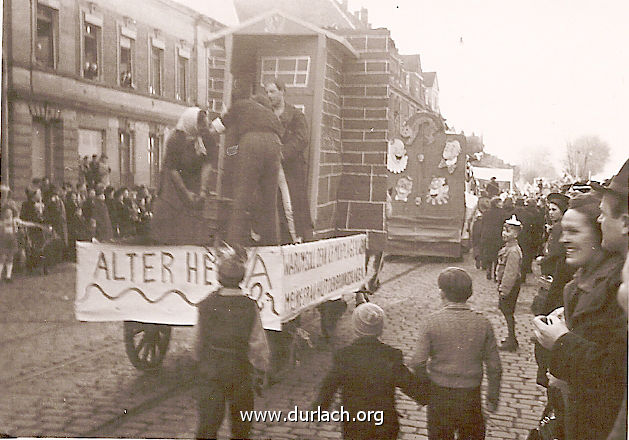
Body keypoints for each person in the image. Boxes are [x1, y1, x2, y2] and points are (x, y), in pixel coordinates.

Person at [533, 192, 627, 440]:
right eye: (563, 231)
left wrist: (561, 340)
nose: (563, 240)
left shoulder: (619, 292)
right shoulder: (575, 285)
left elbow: (614, 373)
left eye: (574, 231)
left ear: (600, 235)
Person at [313, 302, 426, 440]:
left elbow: (329, 385)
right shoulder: (391, 355)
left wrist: (319, 410)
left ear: (355, 328)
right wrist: (425, 393)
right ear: (380, 329)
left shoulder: (344, 355)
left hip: (355, 421)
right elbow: (410, 384)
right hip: (384, 421)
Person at [411, 267, 501, 440]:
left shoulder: (431, 322)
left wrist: (424, 388)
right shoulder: (483, 323)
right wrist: (492, 397)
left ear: (442, 293)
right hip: (470, 395)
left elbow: (417, 362)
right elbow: (495, 366)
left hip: (440, 394)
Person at [196, 246, 270, 440]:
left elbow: (198, 341)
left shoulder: (206, 304)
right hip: (240, 369)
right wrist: (261, 370)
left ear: (219, 278)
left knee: (208, 424)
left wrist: (201, 363)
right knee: (241, 425)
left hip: (213, 369)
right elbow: (257, 344)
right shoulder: (249, 306)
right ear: (241, 278)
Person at [211, 92, 283, 246]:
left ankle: (233, 247)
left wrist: (225, 150)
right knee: (270, 201)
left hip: (251, 143)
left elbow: (217, 127)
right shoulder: (271, 115)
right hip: (275, 144)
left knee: (241, 199)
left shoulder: (242, 105)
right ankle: (273, 247)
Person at [150, 106, 217, 245]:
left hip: (194, 179)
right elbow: (172, 170)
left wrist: (202, 190)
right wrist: (185, 193)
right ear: (192, 123)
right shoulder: (175, 139)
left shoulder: (206, 137)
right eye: (201, 124)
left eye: (206, 123)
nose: (204, 127)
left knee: (196, 214)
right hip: (173, 184)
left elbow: (207, 164)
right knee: (172, 221)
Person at [264, 78, 314, 242]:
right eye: (266, 92)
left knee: (292, 204)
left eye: (272, 91)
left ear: (282, 91)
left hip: (291, 169)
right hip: (270, 168)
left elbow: (302, 139)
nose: (268, 95)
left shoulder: (295, 115)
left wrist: (282, 154)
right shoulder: (266, 115)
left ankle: (297, 238)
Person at [496, 215, 523, 351]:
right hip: (507, 285)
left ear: (516, 234)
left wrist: (504, 290)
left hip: (510, 286)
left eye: (509, 231)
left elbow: (510, 273)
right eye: (504, 230)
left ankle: (512, 340)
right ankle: (511, 337)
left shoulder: (513, 251)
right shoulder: (508, 247)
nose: (505, 233)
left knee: (508, 312)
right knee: (506, 311)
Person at [1, 206, 49, 282]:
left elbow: (26, 224)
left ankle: (8, 276)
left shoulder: (15, 221)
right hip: (3, 242)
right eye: (7, 212)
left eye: (10, 212)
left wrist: (38, 225)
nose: (8, 214)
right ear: (4, 213)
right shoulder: (2, 222)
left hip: (12, 242)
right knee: (2, 258)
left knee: (10, 258)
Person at [480, 197, 503, 280]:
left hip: (487, 236)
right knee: (497, 256)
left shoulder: (486, 213)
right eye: (500, 202)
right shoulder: (501, 213)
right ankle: (495, 274)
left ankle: (488, 271)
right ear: (496, 203)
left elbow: (483, 224)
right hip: (497, 236)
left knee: (488, 254)